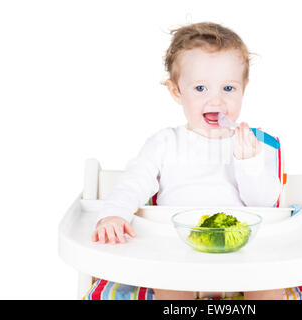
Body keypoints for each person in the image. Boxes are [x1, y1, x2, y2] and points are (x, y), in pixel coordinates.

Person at [91, 21, 283, 300]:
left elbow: (265, 204)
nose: (215, 100)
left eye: (228, 88)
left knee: (270, 285)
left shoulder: (253, 143)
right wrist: (114, 214)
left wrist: (249, 162)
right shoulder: (165, 143)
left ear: (244, 88)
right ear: (176, 91)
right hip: (177, 250)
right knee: (168, 284)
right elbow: (133, 182)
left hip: (243, 254)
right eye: (201, 88)